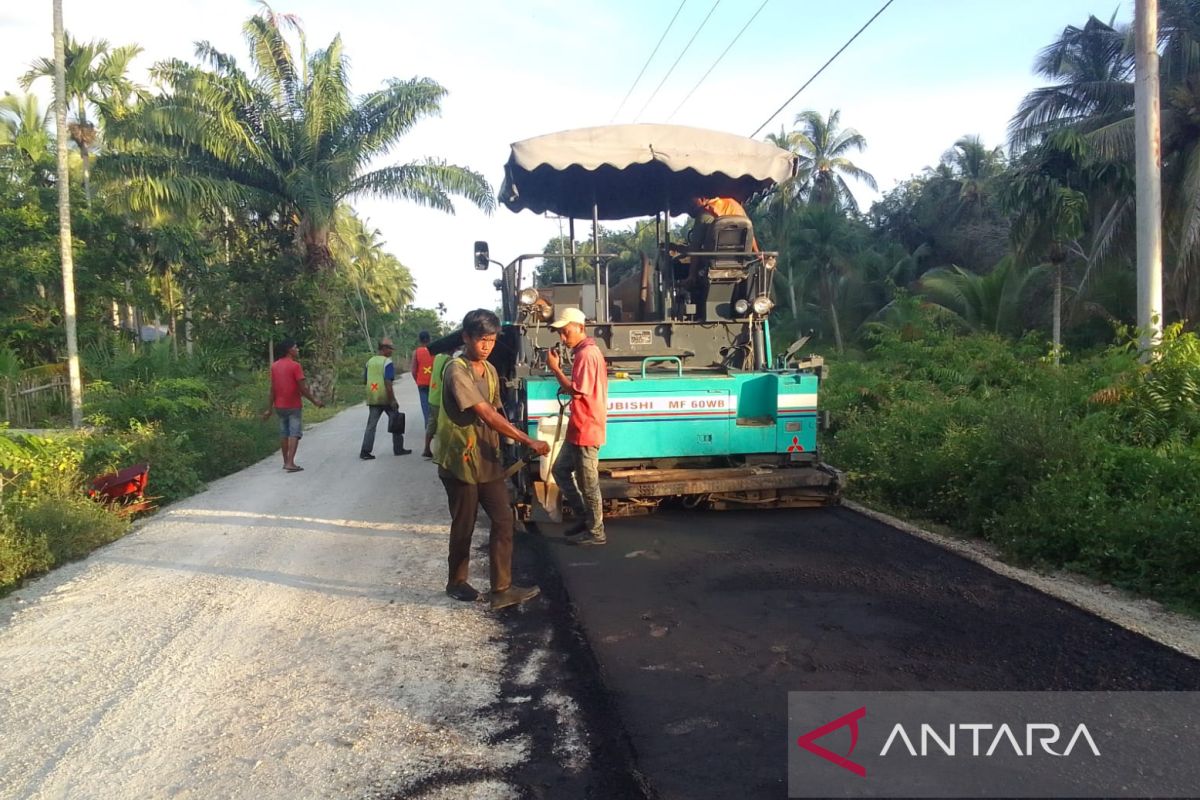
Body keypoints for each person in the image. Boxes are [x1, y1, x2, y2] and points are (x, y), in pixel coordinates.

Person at [434, 309, 550, 610]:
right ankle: (456, 582)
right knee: (464, 525)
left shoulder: (490, 370)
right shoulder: (455, 370)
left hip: (487, 458)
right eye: (481, 339)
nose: (487, 345)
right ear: (466, 338)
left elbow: (496, 412)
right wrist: (529, 440)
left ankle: (502, 589)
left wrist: (512, 440)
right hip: (460, 460)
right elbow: (483, 412)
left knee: (503, 520)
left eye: (491, 340)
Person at [546, 307, 609, 546]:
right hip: (580, 425)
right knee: (560, 470)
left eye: (566, 331)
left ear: (580, 328)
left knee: (589, 483)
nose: (563, 338)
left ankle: (596, 532)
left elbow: (576, 389)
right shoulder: (585, 352)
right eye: (560, 333)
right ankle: (585, 518)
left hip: (587, 427)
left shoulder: (586, 354)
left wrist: (555, 370)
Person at [261, 339, 324, 472]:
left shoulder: (275, 366)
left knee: (284, 433)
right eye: (296, 347)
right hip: (293, 405)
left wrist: (269, 408)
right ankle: (290, 462)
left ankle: (285, 461)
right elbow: (303, 388)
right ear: (289, 350)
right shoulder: (295, 366)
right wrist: (315, 401)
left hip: (279, 406)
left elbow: (272, 388)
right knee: (294, 433)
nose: (298, 349)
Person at [360, 338, 412, 459]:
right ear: (384, 349)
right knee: (396, 420)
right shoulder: (387, 363)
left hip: (373, 397)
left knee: (371, 425)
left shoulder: (370, 361)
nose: (392, 351)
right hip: (385, 397)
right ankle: (398, 448)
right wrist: (393, 400)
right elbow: (388, 384)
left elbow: (365, 380)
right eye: (390, 348)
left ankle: (365, 451)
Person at [422, 349, 454, 459]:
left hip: (432, 397)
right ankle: (442, 453)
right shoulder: (449, 361)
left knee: (431, 424)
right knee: (443, 427)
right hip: (441, 399)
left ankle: (426, 448)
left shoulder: (437, 358)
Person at [411, 331, 434, 431]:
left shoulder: (416, 352)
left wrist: (418, 380)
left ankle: (428, 430)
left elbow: (413, 370)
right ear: (430, 339)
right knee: (436, 407)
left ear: (419, 340)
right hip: (435, 383)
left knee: (426, 409)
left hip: (422, 384)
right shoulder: (435, 350)